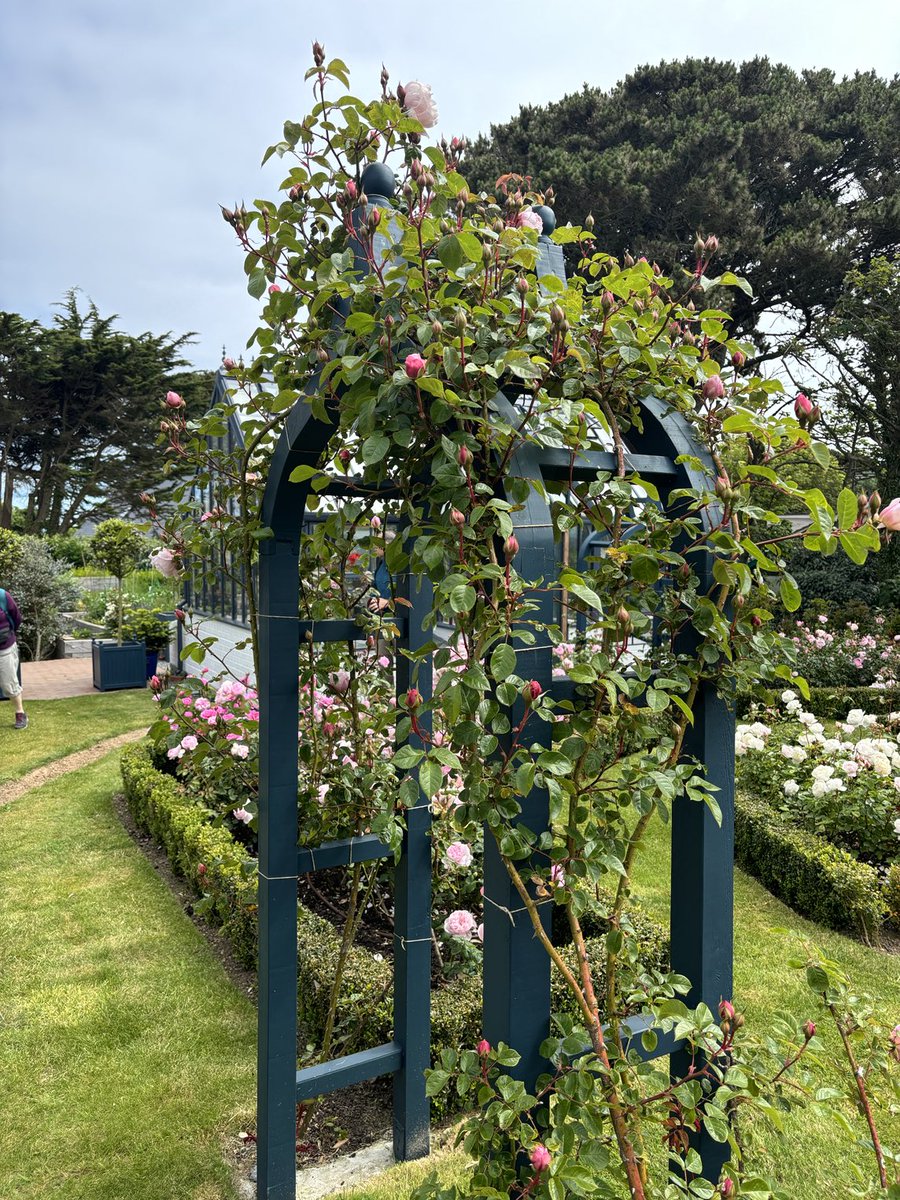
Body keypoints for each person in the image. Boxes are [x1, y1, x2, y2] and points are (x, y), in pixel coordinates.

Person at [0, 587, 27, 729]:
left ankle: (20, 713)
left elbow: (16, 618)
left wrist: (7, 634)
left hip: (4, 647)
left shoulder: (3, 596)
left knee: (8, 683)